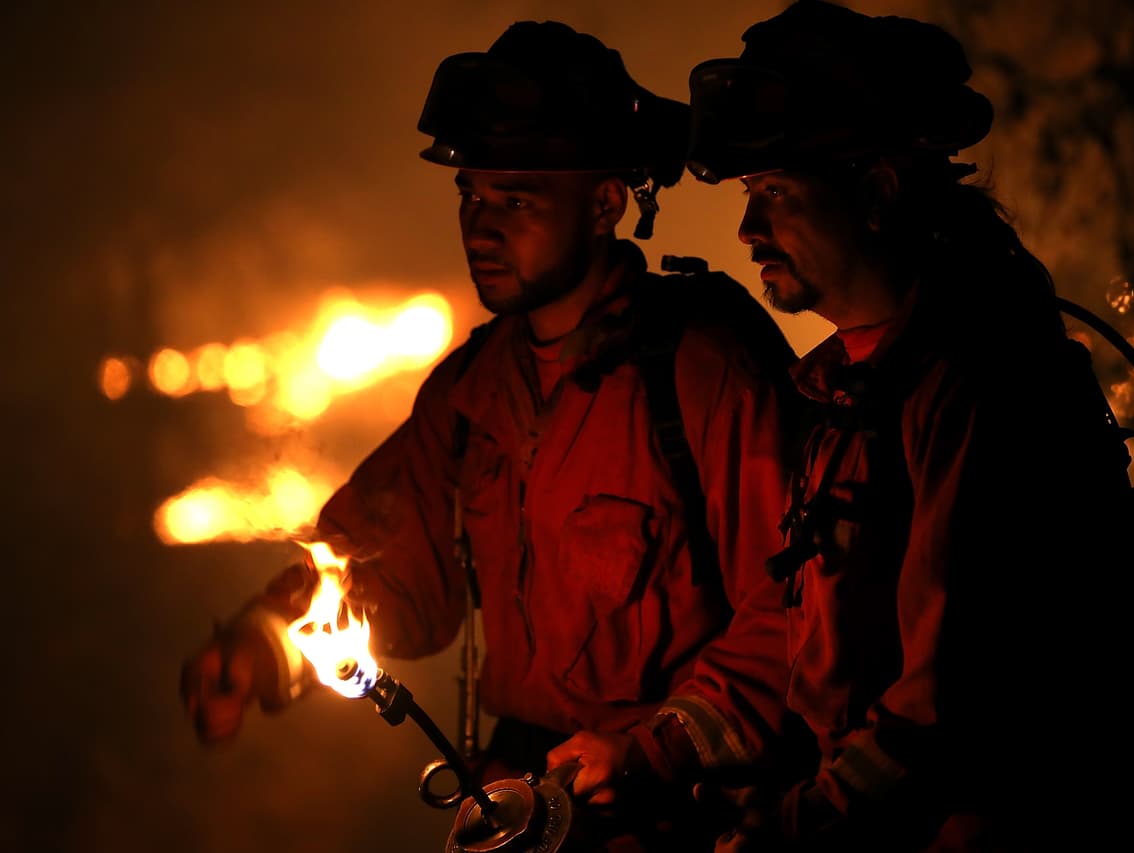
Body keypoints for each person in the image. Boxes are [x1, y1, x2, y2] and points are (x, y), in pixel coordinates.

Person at [180, 20, 804, 851]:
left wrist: (657, 746)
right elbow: (385, 567)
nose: (481, 227)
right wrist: (263, 642)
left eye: (517, 199)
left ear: (606, 202)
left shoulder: (701, 370)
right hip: (528, 806)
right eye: (471, 195)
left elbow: (795, 613)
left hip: (690, 815)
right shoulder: (473, 392)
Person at [685, 1, 1134, 850]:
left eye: (776, 190)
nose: (748, 229)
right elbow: (797, 624)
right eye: (751, 193)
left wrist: (789, 827)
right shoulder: (852, 390)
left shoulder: (976, 384)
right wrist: (655, 747)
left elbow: (944, 708)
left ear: (879, 190)